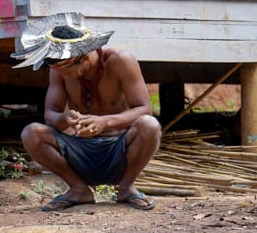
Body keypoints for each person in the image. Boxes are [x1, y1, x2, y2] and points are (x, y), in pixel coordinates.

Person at [13, 12, 161, 211]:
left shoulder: (120, 61)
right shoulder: (58, 70)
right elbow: (50, 115)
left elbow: (145, 109)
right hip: (81, 153)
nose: (63, 76)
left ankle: (126, 188)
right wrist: (65, 119)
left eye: (67, 72)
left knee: (149, 125)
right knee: (31, 133)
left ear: (83, 59)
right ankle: (78, 189)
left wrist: (104, 122)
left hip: (120, 152)